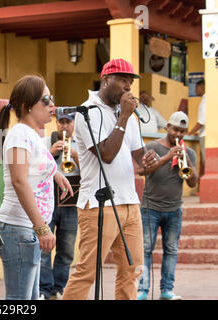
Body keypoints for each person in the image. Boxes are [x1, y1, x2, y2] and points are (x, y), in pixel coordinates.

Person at [62, 58, 159, 300]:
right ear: (106, 80)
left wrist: (150, 160)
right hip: (98, 205)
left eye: (130, 82)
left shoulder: (128, 116)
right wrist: (123, 118)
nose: (128, 87)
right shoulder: (87, 112)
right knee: (87, 272)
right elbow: (106, 154)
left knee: (132, 270)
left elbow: (139, 158)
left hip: (129, 203)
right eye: (122, 80)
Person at [0, 75, 73, 300]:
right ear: (27, 107)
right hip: (19, 229)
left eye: (52, 99)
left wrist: (55, 174)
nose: (52, 106)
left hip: (25, 230)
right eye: (45, 101)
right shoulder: (19, 134)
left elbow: (33, 165)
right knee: (20, 302)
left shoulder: (33, 134)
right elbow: (19, 181)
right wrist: (41, 228)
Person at [137, 111, 198, 300]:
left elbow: (192, 183)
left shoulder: (189, 152)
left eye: (182, 131)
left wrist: (186, 162)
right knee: (146, 249)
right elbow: (142, 171)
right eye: (175, 130)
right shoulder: (152, 147)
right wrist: (166, 157)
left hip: (174, 210)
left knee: (171, 250)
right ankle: (143, 290)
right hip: (150, 208)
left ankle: (166, 290)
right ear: (167, 128)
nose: (178, 134)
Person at [39, 113, 79, 300]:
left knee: (66, 249)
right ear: (56, 123)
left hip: (71, 202)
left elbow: (89, 171)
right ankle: (44, 289)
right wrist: (52, 153)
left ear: (73, 124)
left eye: (68, 122)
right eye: (61, 122)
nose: (64, 126)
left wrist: (75, 155)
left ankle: (59, 287)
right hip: (48, 200)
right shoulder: (45, 142)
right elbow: (36, 167)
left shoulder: (81, 143)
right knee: (45, 248)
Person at [187, 80, 205, 177]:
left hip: (205, 136)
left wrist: (189, 133)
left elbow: (201, 122)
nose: (195, 90)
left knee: (205, 159)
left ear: (203, 88)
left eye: (196, 87)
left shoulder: (204, 101)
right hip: (204, 134)